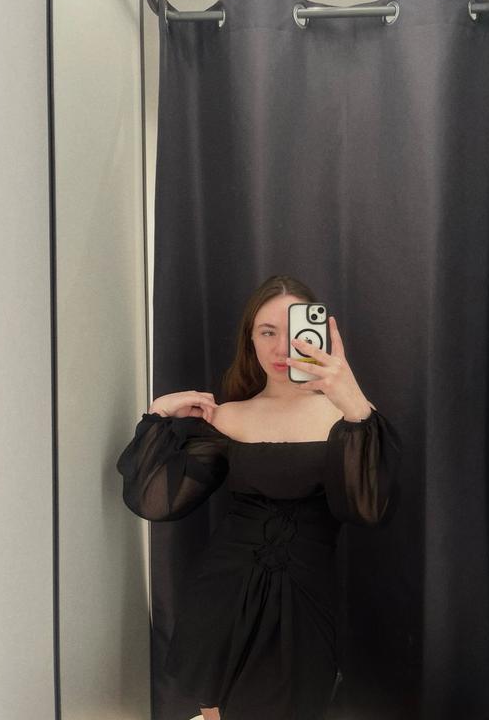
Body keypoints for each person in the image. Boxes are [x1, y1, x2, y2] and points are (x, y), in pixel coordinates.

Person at [116, 275, 401, 720]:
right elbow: (157, 502)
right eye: (267, 332)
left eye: (294, 330)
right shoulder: (228, 416)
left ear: (320, 333)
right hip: (222, 600)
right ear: (249, 340)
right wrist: (158, 416)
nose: (282, 346)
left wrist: (353, 402)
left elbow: (368, 509)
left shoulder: (354, 420)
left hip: (305, 606)